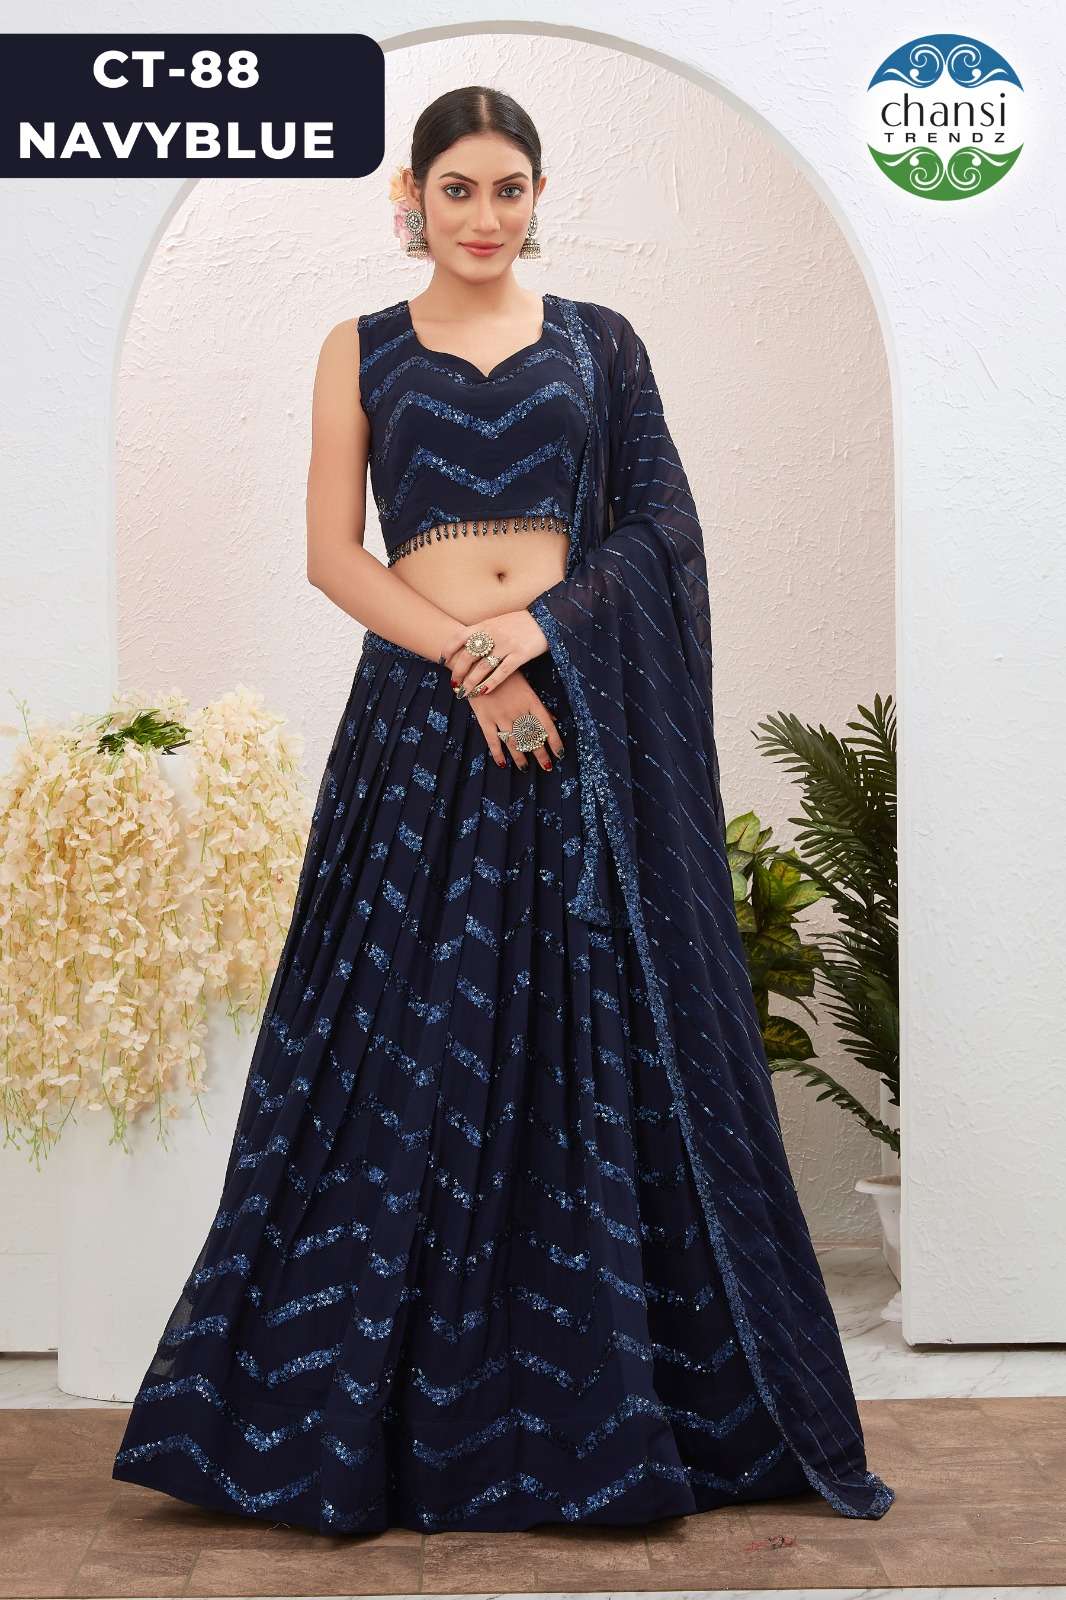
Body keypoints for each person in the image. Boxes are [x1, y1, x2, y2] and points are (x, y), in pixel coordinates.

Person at [112, 85, 895, 1535]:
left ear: (540, 198)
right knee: (398, 1037)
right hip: (420, 728)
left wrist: (539, 637)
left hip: (574, 722)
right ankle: (359, 1418)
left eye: (510, 188)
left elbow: (660, 529)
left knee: (585, 1028)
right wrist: (471, 664)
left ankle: (616, 1404)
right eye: (458, 188)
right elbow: (332, 553)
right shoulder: (359, 346)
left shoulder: (602, 343)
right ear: (408, 198)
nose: (485, 215)